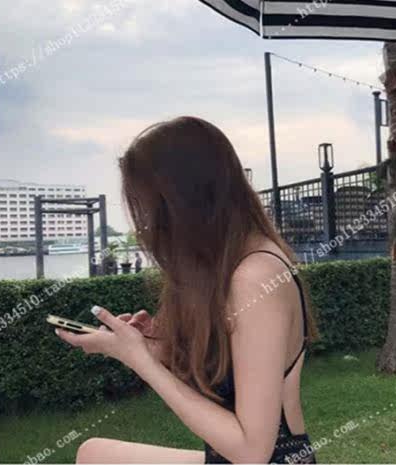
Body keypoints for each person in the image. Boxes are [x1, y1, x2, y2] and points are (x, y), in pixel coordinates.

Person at [54, 116, 318, 464]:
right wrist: (159, 350)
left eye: (147, 209)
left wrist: (139, 360)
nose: (147, 227)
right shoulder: (239, 263)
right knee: (94, 454)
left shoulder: (254, 278)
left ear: (181, 204)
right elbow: (233, 371)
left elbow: (252, 451)